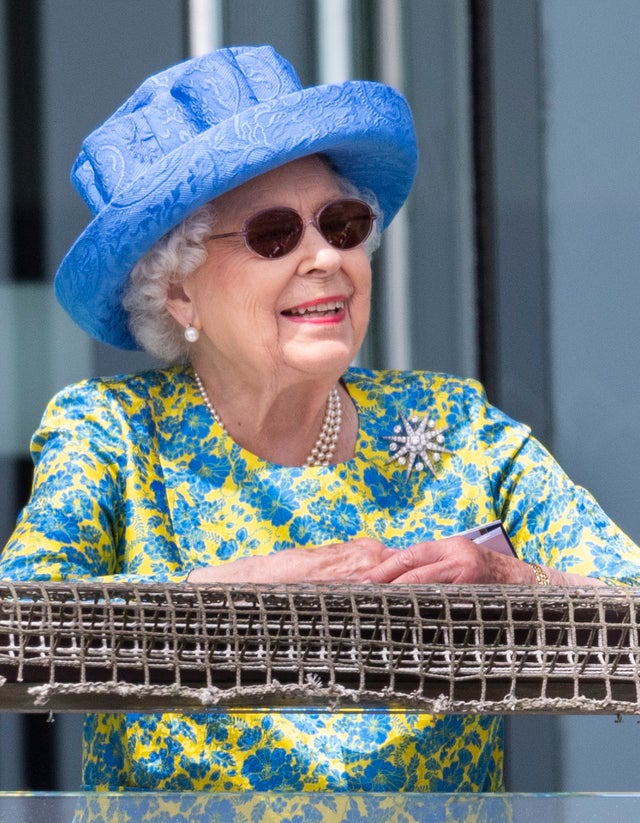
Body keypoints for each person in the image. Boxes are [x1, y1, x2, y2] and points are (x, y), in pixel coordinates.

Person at [1, 44, 639, 795]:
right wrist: (219, 597)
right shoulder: (112, 433)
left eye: (340, 224)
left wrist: (511, 583)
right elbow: (20, 634)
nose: (326, 258)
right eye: (274, 234)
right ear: (178, 292)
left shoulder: (453, 425)